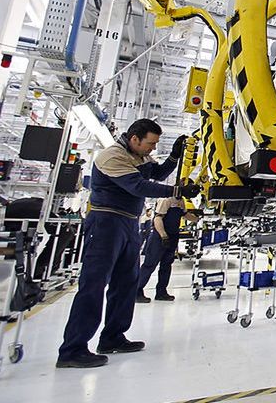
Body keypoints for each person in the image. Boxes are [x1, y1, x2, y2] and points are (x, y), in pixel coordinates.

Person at [56, 120, 198, 369]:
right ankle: (73, 349)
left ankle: (113, 336)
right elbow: (139, 186)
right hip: (105, 222)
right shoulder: (112, 156)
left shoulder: (139, 157)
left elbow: (157, 173)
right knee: (94, 283)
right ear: (135, 138)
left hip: (129, 223)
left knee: (126, 282)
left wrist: (175, 157)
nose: (153, 149)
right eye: (151, 143)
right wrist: (177, 191)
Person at [136, 196, 198, 303]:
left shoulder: (181, 201)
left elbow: (184, 214)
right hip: (159, 236)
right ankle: (136, 291)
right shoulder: (165, 200)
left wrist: (197, 219)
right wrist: (163, 236)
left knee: (166, 265)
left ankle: (161, 292)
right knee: (150, 264)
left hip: (173, 235)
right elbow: (157, 218)